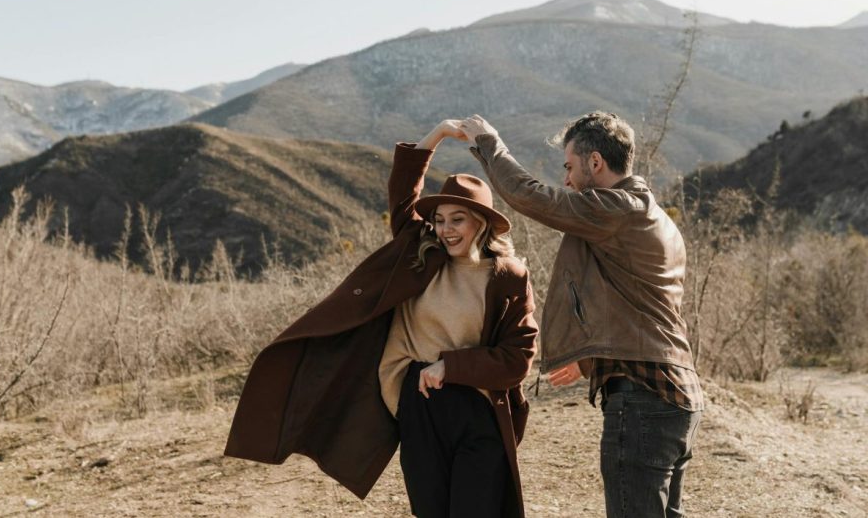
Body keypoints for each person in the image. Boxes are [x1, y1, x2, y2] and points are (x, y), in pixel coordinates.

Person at [224, 120, 538, 518]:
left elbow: (518, 357)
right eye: (440, 220)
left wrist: (451, 366)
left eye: (457, 219)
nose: (445, 230)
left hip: (479, 410)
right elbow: (404, 193)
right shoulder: (418, 251)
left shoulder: (508, 276)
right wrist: (438, 134)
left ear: (481, 223)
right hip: (420, 404)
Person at [456, 112, 704, 518]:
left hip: (643, 398)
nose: (566, 180)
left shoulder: (618, 209)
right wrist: (591, 357)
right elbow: (635, 307)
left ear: (595, 163)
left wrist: (489, 142)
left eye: (569, 167)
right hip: (673, 395)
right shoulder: (651, 216)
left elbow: (531, 197)